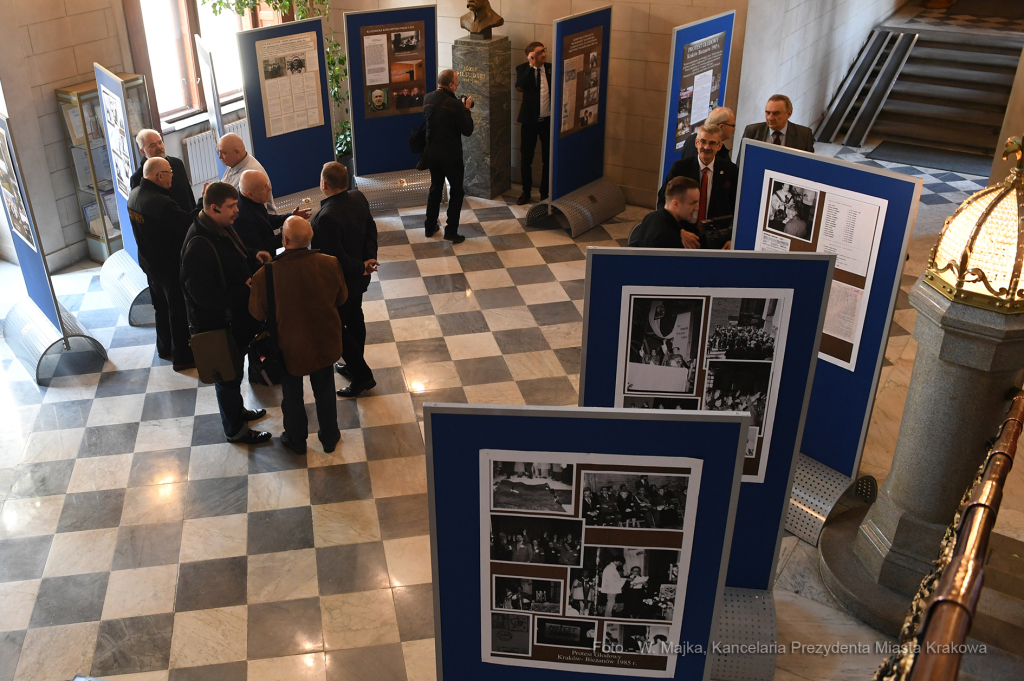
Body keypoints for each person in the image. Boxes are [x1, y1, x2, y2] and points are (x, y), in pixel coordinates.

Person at [180, 182, 271, 445]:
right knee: (227, 377)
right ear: (213, 207)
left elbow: (233, 258)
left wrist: (254, 256)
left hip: (235, 322)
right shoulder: (198, 244)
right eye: (231, 207)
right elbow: (203, 297)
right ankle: (235, 430)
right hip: (218, 326)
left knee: (234, 373)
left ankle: (238, 412)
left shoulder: (219, 227)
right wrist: (244, 290)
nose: (236, 211)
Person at [249, 217, 347, 454]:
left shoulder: (266, 275)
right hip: (324, 341)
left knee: (291, 395)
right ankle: (330, 437)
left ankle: (296, 439)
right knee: (325, 390)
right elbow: (341, 298)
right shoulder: (330, 263)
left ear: (285, 240)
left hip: (287, 347)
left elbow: (256, 312)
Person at [310, 162, 380, 397]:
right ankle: (353, 365)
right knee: (355, 317)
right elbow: (371, 229)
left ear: (323, 184)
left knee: (338, 327)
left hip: (340, 283)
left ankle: (362, 375)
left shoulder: (326, 218)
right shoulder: (358, 197)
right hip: (359, 279)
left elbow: (335, 259)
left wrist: (361, 266)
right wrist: (369, 259)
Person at [127, 157, 195, 370]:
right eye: (169, 173)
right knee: (178, 310)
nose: (172, 177)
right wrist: (203, 202)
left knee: (160, 307)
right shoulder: (162, 203)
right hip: (169, 266)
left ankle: (164, 347)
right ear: (159, 176)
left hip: (149, 263)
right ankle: (182, 357)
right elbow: (186, 225)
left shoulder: (134, 195)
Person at [423, 69, 474, 243]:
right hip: (451, 156)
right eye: (457, 82)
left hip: (432, 154)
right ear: (451, 85)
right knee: (457, 191)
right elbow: (467, 130)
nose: (458, 84)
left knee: (435, 188)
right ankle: (451, 231)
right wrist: (466, 109)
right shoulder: (455, 105)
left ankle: (430, 227)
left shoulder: (428, 98)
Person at [657, 124, 738, 224]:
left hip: (716, 234)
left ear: (719, 146)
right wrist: (679, 232)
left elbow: (735, 206)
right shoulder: (680, 168)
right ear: (696, 143)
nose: (706, 147)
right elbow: (663, 200)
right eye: (703, 141)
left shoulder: (730, 170)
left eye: (712, 143)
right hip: (683, 232)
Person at [515, 42, 551, 205]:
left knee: (548, 159)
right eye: (540, 52)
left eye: (544, 50)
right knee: (526, 159)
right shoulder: (523, 69)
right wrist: (531, 65)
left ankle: (545, 193)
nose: (544, 54)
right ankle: (526, 192)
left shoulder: (550, 69)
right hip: (529, 122)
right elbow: (520, 85)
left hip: (547, 122)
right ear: (532, 55)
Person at [130, 129, 196, 213]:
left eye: (160, 142)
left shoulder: (177, 164)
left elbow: (189, 196)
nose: (159, 147)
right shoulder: (137, 178)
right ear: (143, 151)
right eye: (152, 145)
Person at [217, 132, 278, 213]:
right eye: (219, 152)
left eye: (223, 153)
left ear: (237, 152)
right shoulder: (235, 163)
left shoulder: (250, 176)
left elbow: (256, 214)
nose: (220, 156)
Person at [634, 177, 701, 249]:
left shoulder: (651, 217)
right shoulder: (666, 238)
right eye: (692, 203)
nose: (697, 208)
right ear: (676, 204)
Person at [742, 94, 815, 153]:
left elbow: (808, 167)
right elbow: (741, 165)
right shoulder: (752, 132)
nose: (770, 118)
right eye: (768, 113)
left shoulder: (804, 135)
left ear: (789, 113)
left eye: (776, 113)